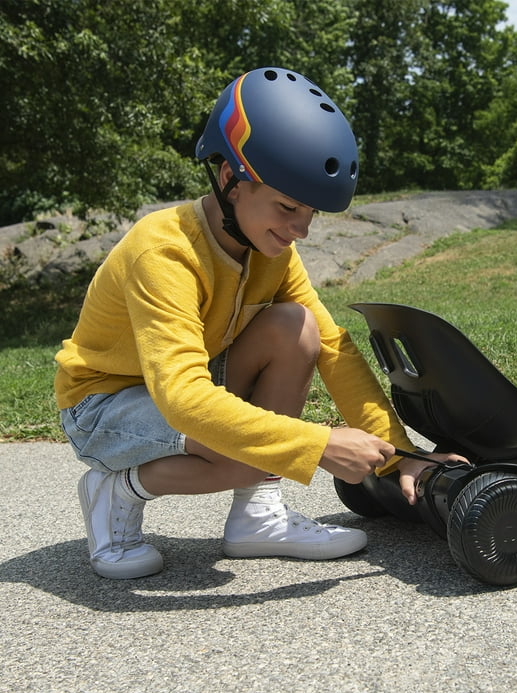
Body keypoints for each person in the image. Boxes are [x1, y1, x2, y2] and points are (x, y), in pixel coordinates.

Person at [54, 66, 461, 580]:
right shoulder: (164, 250)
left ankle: (256, 518)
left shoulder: (272, 250)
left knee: (298, 326)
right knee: (252, 452)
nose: (301, 230)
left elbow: (333, 348)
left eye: (310, 212)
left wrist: (400, 457)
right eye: (287, 206)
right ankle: (116, 488)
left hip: (182, 389)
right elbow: (182, 398)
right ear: (231, 180)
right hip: (101, 404)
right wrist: (317, 444)